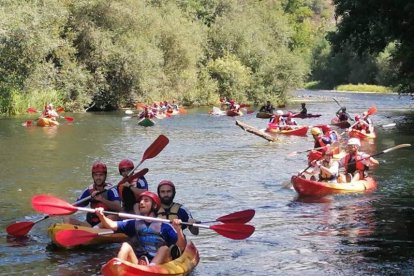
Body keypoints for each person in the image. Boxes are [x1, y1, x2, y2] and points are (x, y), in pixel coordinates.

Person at [95, 191, 185, 266]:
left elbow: (181, 247)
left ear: (154, 206)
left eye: (146, 201)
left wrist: (178, 229)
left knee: (164, 248)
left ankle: (150, 268)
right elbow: (112, 225)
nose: (141, 203)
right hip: (141, 262)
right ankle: (118, 267)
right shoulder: (135, 223)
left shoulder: (165, 226)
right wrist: (101, 216)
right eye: (141, 200)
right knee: (126, 246)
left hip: (161, 264)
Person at [65, 161, 122, 227]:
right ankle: (91, 230)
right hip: (92, 222)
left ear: (105, 176)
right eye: (96, 175)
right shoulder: (89, 190)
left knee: (114, 216)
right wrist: (64, 211)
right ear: (93, 176)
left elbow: (119, 208)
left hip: (108, 223)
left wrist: (102, 199)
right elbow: (75, 206)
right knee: (67, 218)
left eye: (101, 175)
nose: (98, 178)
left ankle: (95, 229)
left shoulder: (111, 189)